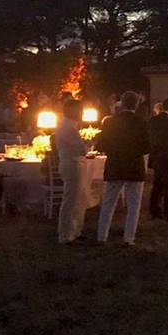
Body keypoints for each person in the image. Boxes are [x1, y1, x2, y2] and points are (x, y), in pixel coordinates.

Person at [94, 91, 151, 246]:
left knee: (108, 202)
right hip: (134, 166)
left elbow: (101, 145)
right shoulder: (141, 122)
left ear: (122, 103)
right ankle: (129, 238)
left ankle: (101, 236)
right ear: (137, 105)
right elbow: (147, 147)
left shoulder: (110, 123)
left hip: (115, 165)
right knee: (134, 205)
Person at [54, 99, 89, 244]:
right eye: (80, 110)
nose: (81, 113)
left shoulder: (67, 127)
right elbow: (82, 149)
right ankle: (66, 235)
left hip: (72, 163)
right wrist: (88, 145)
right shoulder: (68, 128)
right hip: (72, 164)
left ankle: (75, 231)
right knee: (71, 200)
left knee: (78, 199)